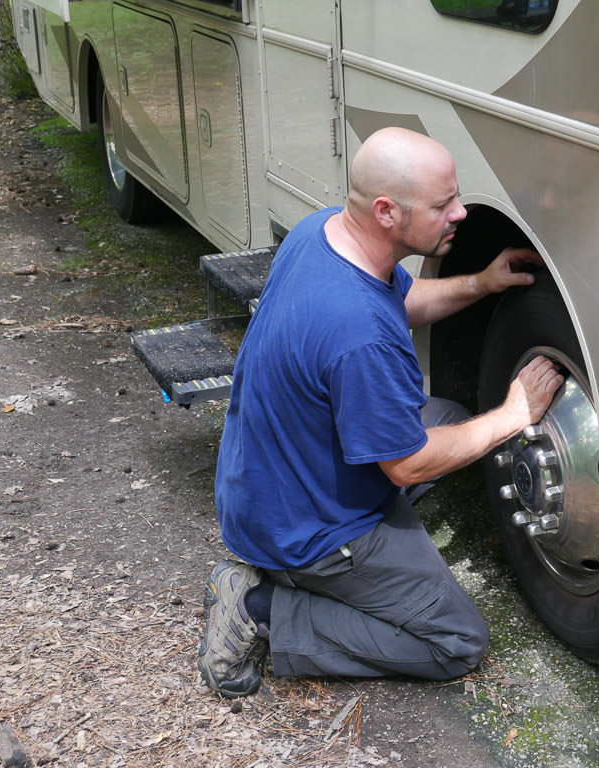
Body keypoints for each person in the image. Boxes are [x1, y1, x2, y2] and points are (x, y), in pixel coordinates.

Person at [198, 127, 564, 698]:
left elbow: (400, 298)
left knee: (444, 415)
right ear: (389, 212)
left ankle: (286, 571)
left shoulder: (320, 233)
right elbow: (409, 465)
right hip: (306, 531)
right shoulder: (359, 335)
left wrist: (481, 283)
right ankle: (260, 605)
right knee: (456, 642)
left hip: (262, 482)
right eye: (444, 205)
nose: (461, 213)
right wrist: (514, 413)